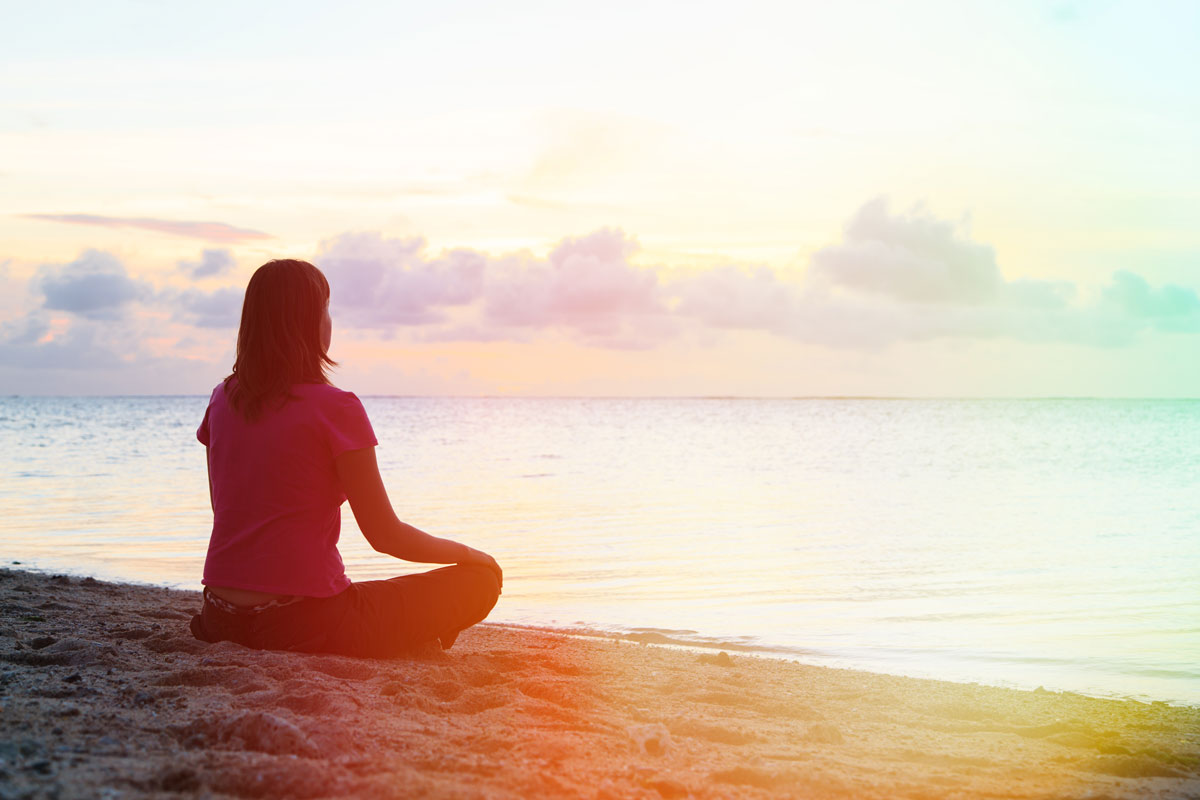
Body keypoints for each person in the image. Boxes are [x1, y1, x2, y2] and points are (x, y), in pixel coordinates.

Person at [189, 259, 501, 656]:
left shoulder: (222, 399)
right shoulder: (337, 409)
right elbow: (385, 535)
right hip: (303, 622)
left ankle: (409, 635)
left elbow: (226, 510)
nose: (329, 320)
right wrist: (472, 556)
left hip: (220, 617)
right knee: (480, 583)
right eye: (325, 309)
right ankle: (414, 636)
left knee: (385, 599)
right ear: (307, 322)